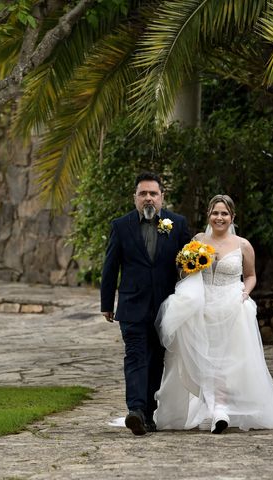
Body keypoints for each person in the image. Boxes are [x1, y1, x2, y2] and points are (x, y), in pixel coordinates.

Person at [154, 194, 273, 433]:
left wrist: (245, 293)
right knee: (204, 357)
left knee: (225, 359)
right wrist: (190, 267)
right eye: (215, 213)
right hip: (201, 305)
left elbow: (250, 275)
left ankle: (220, 409)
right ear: (208, 215)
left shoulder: (243, 245)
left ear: (232, 217)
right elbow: (185, 273)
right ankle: (212, 408)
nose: (219, 217)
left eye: (224, 213)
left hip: (231, 304)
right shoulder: (197, 240)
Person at [101, 172, 191, 435]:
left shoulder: (177, 223)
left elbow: (188, 265)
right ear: (135, 198)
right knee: (136, 356)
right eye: (143, 194)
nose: (148, 198)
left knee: (156, 360)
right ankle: (135, 410)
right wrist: (107, 303)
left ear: (162, 197)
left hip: (166, 308)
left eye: (153, 193)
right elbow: (110, 267)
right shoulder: (121, 226)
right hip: (132, 305)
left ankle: (149, 414)